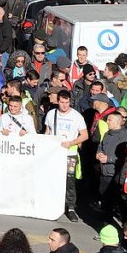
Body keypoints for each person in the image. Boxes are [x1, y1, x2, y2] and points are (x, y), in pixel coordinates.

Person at [44, 90, 88, 222]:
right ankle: (53, 203)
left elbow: (85, 135)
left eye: (67, 102)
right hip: (55, 153)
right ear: (57, 101)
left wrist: (71, 143)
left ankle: (70, 207)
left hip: (70, 154)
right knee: (53, 178)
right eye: (62, 102)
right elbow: (47, 132)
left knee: (70, 181)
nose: (64, 105)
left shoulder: (77, 116)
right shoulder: (51, 114)